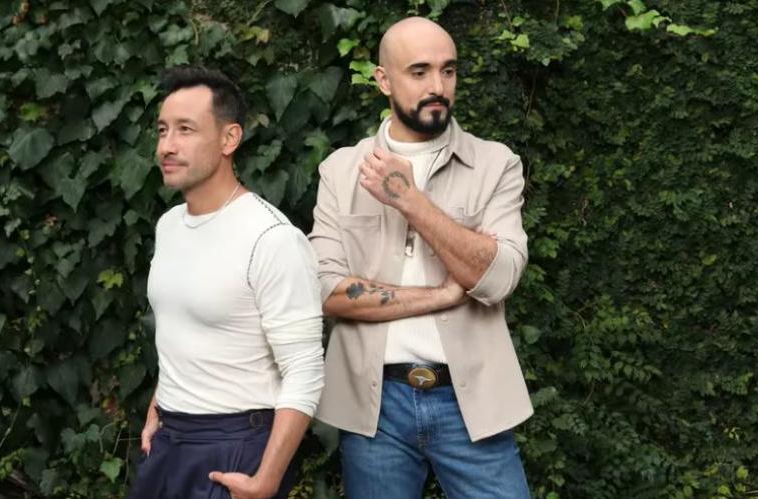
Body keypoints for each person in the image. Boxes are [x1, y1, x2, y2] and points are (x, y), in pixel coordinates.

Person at [308, 17, 533, 498]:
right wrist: (441, 294)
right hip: (374, 408)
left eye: (448, 70)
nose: (438, 86)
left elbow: (498, 278)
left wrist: (410, 200)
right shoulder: (340, 171)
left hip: (473, 402)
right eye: (419, 71)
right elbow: (325, 291)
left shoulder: (495, 164)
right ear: (383, 80)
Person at [129, 66, 324, 499]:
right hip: (170, 440)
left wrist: (266, 480)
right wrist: (160, 403)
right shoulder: (169, 225)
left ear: (229, 138)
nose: (166, 146)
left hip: (236, 446)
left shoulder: (272, 237)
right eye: (162, 130)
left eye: (185, 130)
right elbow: (185, 329)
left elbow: (305, 371)